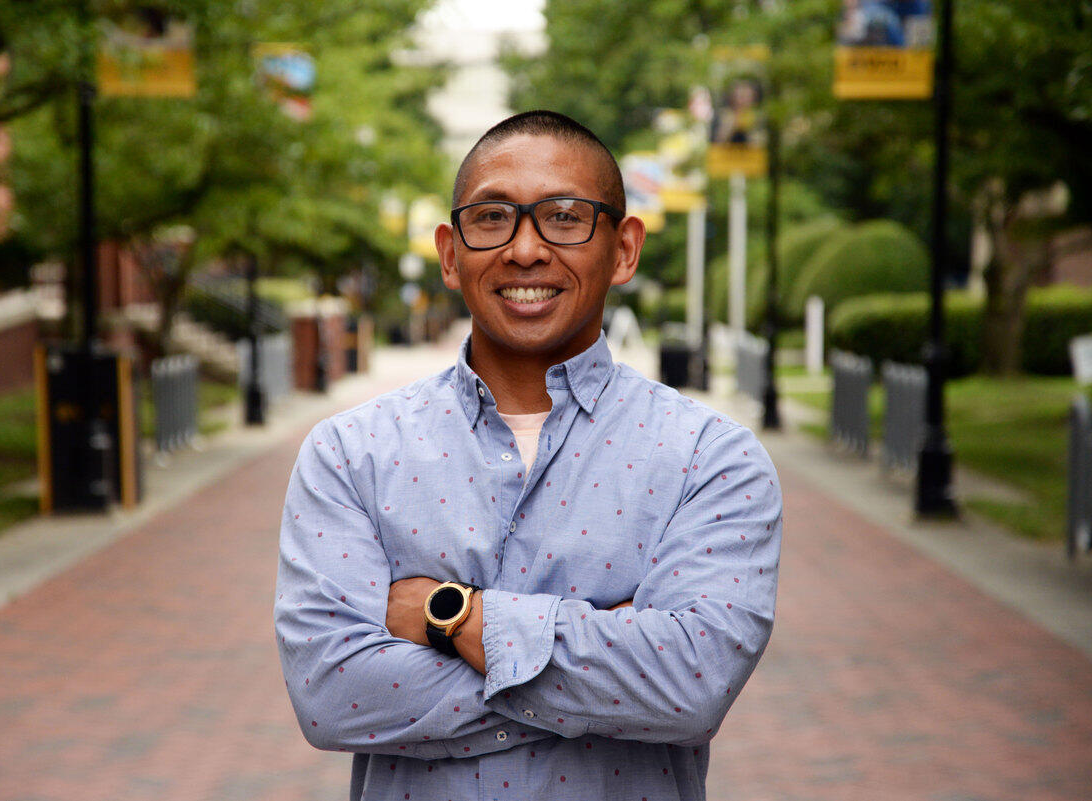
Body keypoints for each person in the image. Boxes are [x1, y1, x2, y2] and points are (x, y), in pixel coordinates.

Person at [275, 110, 782, 801]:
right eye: (492, 218)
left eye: (564, 217)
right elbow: (333, 697)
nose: (524, 249)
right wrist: (608, 662)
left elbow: (690, 687)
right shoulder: (349, 455)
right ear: (450, 254)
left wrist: (450, 617)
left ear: (624, 249)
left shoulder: (710, 459)